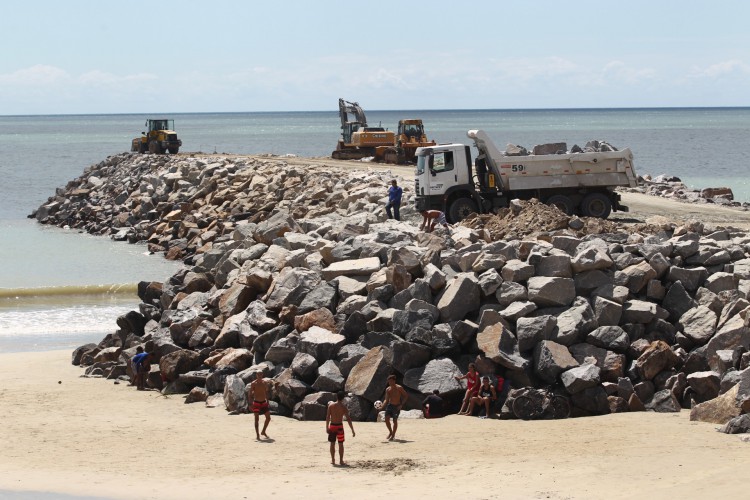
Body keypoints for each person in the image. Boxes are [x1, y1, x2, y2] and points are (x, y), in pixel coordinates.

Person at [326, 391, 356, 465]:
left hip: (332, 426)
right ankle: (341, 461)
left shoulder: (331, 405)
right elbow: (348, 419)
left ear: (337, 397)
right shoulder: (343, 407)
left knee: (332, 444)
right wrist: (352, 430)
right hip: (339, 426)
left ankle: (333, 460)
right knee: (340, 444)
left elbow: (327, 417)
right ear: (343, 398)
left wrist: (327, 427)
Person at [383, 374, 408, 441]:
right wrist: (382, 406)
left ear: (394, 381)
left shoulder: (399, 388)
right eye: (389, 381)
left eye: (391, 381)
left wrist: (401, 405)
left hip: (397, 406)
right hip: (390, 405)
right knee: (386, 420)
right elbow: (386, 399)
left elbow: (405, 396)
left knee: (395, 421)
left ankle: (393, 435)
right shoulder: (388, 389)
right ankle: (390, 432)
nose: (390, 383)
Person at [247, 371, 271, 440]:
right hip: (256, 403)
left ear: (262, 374)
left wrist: (268, 402)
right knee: (256, 419)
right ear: (256, 375)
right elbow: (250, 394)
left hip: (264, 402)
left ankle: (263, 431)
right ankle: (257, 435)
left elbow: (266, 393)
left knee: (268, 418)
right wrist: (250, 404)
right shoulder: (253, 383)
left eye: (261, 374)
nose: (260, 375)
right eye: (258, 374)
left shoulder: (265, 383)